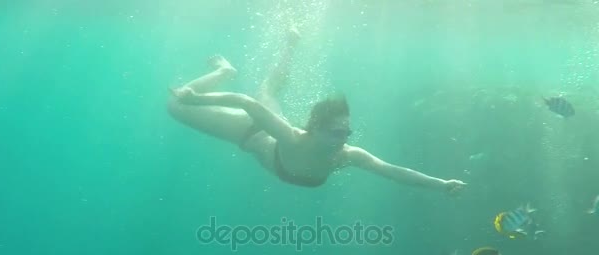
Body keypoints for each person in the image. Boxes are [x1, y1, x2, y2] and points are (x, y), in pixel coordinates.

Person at [167, 28, 466, 193]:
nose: (344, 138)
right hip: (251, 135)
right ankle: (224, 71)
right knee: (175, 106)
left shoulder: (348, 156)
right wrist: (196, 100)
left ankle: (289, 44)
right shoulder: (291, 137)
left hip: (272, 137)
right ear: (314, 128)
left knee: (267, 93)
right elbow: (246, 104)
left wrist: (440, 184)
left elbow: (391, 171)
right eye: (337, 132)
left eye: (346, 132)